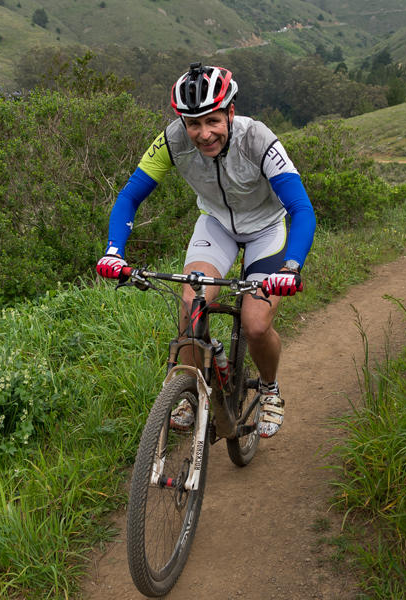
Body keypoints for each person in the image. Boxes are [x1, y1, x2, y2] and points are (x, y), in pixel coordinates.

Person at [96, 63, 316, 438]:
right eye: (192, 124)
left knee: (256, 324)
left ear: (230, 112)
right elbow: (130, 195)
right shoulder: (171, 141)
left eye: (212, 120)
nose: (203, 134)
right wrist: (114, 251)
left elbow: (301, 208)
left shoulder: (258, 139)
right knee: (189, 304)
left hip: (266, 230)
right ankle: (191, 391)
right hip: (216, 225)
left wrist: (291, 266)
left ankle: (269, 388)